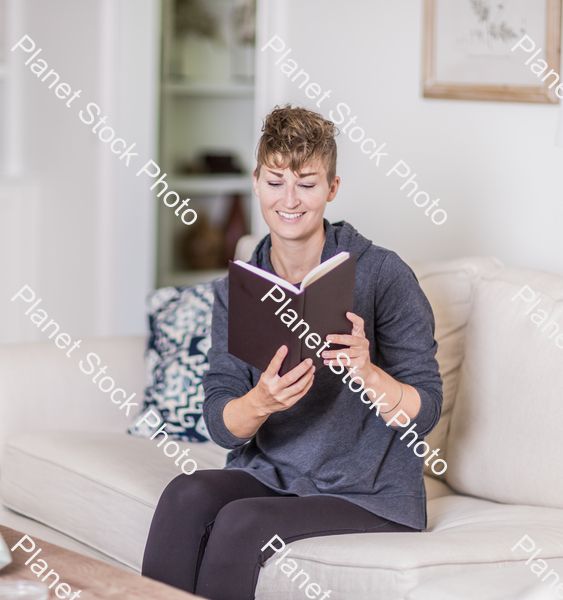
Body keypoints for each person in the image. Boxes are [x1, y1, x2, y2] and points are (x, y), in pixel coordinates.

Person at [141, 105, 443, 600]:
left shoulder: (383, 275)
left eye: (306, 183)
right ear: (256, 182)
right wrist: (261, 401)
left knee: (241, 522)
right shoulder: (237, 289)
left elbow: (425, 411)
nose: (290, 200)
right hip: (272, 475)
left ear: (332, 188)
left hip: (369, 494)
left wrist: (368, 373)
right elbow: (220, 421)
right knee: (185, 493)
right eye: (277, 181)